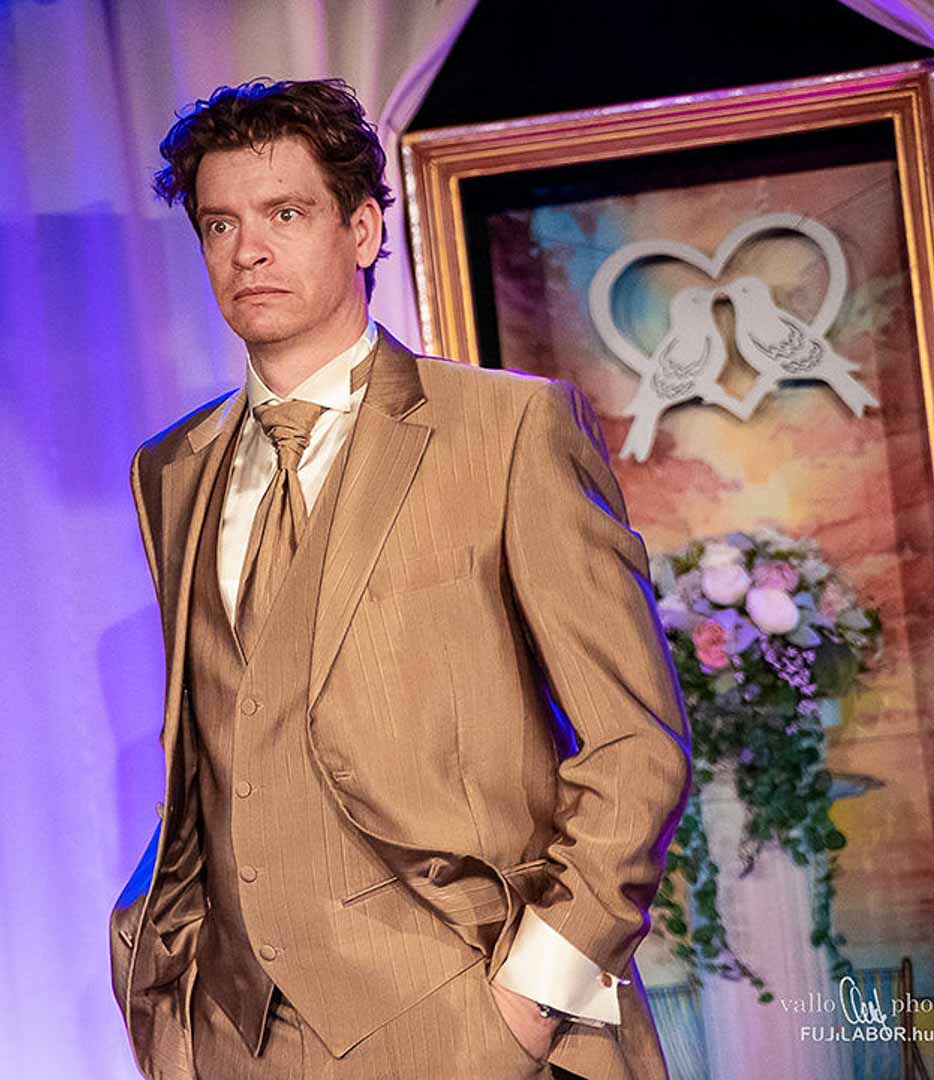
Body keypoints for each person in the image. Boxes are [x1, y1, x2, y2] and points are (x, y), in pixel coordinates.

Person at [108, 78, 691, 1079]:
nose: (247, 251)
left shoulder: (506, 431)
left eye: (285, 214)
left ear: (364, 229)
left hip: (465, 1011)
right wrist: (177, 1003)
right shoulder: (170, 471)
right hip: (239, 1033)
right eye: (219, 224)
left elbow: (636, 745)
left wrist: (530, 999)